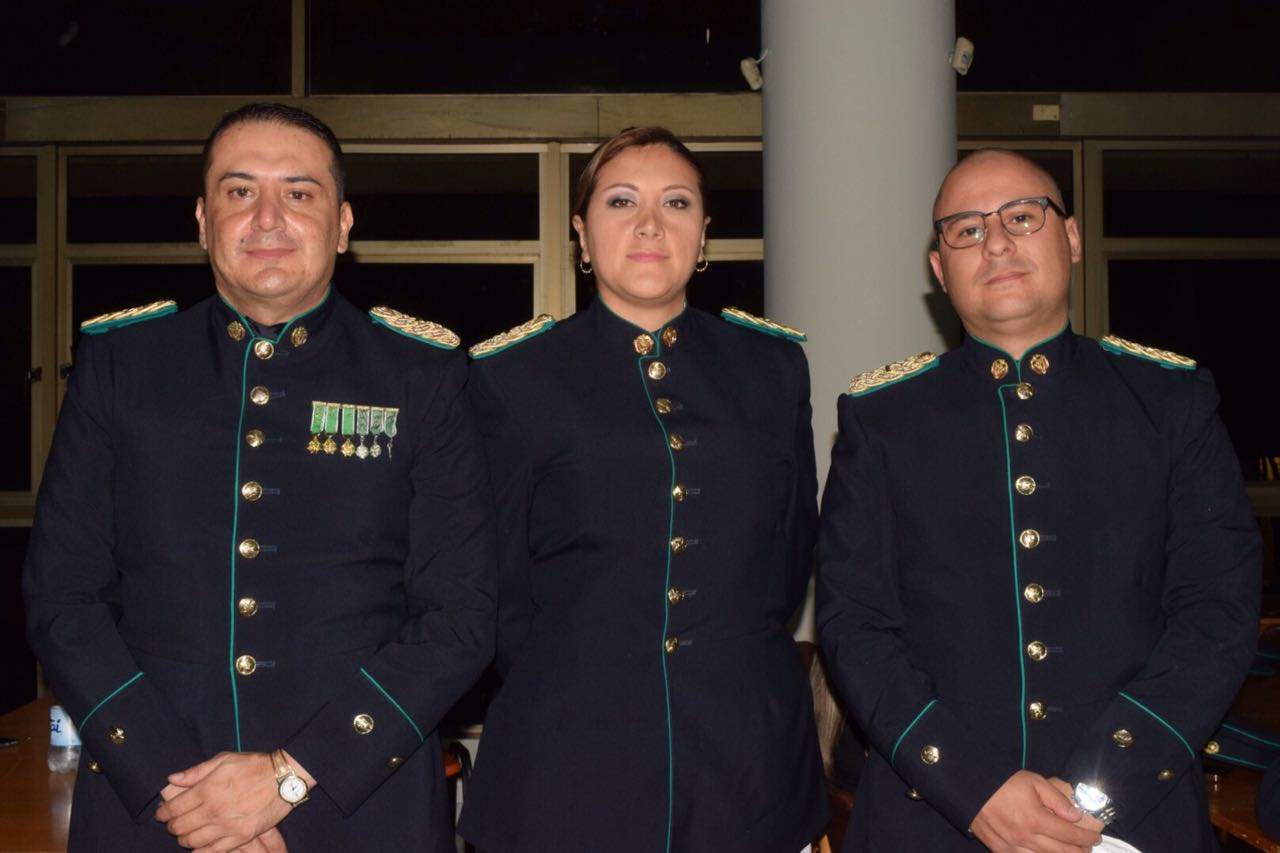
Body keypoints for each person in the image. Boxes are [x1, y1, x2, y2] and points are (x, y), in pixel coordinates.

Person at [22, 103, 495, 852]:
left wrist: (287, 777)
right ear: (204, 220)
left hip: (356, 805)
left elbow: (460, 619)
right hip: (153, 809)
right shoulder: (123, 367)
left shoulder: (421, 377)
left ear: (342, 224)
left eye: (299, 193)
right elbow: (63, 596)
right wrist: (191, 794)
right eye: (240, 192)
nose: (268, 217)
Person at [817, 149, 1261, 852]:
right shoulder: (882, 420)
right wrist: (973, 787)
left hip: (1135, 819)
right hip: (932, 817)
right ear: (940, 268)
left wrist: (1099, 789)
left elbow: (1218, 609)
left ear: (1073, 238)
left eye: (1022, 217)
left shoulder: (1170, 403)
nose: (995, 242)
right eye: (964, 230)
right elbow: (855, 624)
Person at [458, 126, 827, 852]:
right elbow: (498, 587)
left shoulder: (772, 370)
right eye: (621, 200)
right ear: (582, 235)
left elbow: (787, 563)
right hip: (567, 761)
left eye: (677, 202)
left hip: (746, 765)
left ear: (705, 236)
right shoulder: (513, 377)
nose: (651, 223)